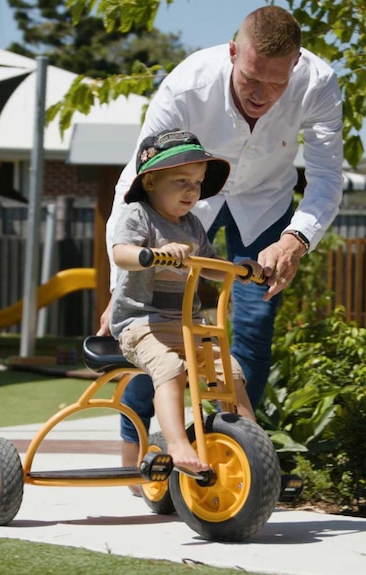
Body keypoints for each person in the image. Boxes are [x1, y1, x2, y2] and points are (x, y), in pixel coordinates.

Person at [101, 6, 345, 470]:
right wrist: (121, 286)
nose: (262, 95)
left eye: (277, 84)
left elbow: (327, 177)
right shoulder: (187, 84)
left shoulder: (319, 83)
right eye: (252, 78)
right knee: (156, 322)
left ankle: (236, 459)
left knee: (252, 331)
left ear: (295, 66)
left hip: (267, 204)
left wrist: (297, 238)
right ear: (234, 53)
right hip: (187, 204)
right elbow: (137, 179)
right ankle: (134, 452)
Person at [110, 128, 260, 473]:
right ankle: (178, 445)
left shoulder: (192, 225)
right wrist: (154, 253)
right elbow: (121, 253)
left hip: (187, 325)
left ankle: (253, 447)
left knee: (231, 372)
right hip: (141, 324)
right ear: (150, 182)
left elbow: (213, 268)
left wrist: (240, 270)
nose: (191, 190)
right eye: (181, 181)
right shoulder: (139, 215)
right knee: (170, 368)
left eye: (197, 182)